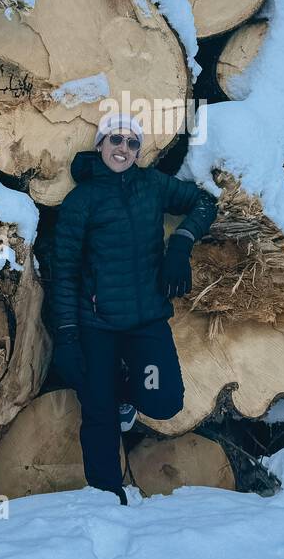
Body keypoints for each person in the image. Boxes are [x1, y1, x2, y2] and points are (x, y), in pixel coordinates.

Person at [49, 111, 218, 504]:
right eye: (116, 140)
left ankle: (126, 393)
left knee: (164, 399)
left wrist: (181, 243)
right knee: (98, 414)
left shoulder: (152, 186)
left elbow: (205, 204)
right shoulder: (81, 202)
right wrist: (67, 336)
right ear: (100, 145)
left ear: (138, 152)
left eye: (132, 143)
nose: (123, 149)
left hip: (146, 325)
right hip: (97, 327)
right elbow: (66, 274)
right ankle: (107, 497)